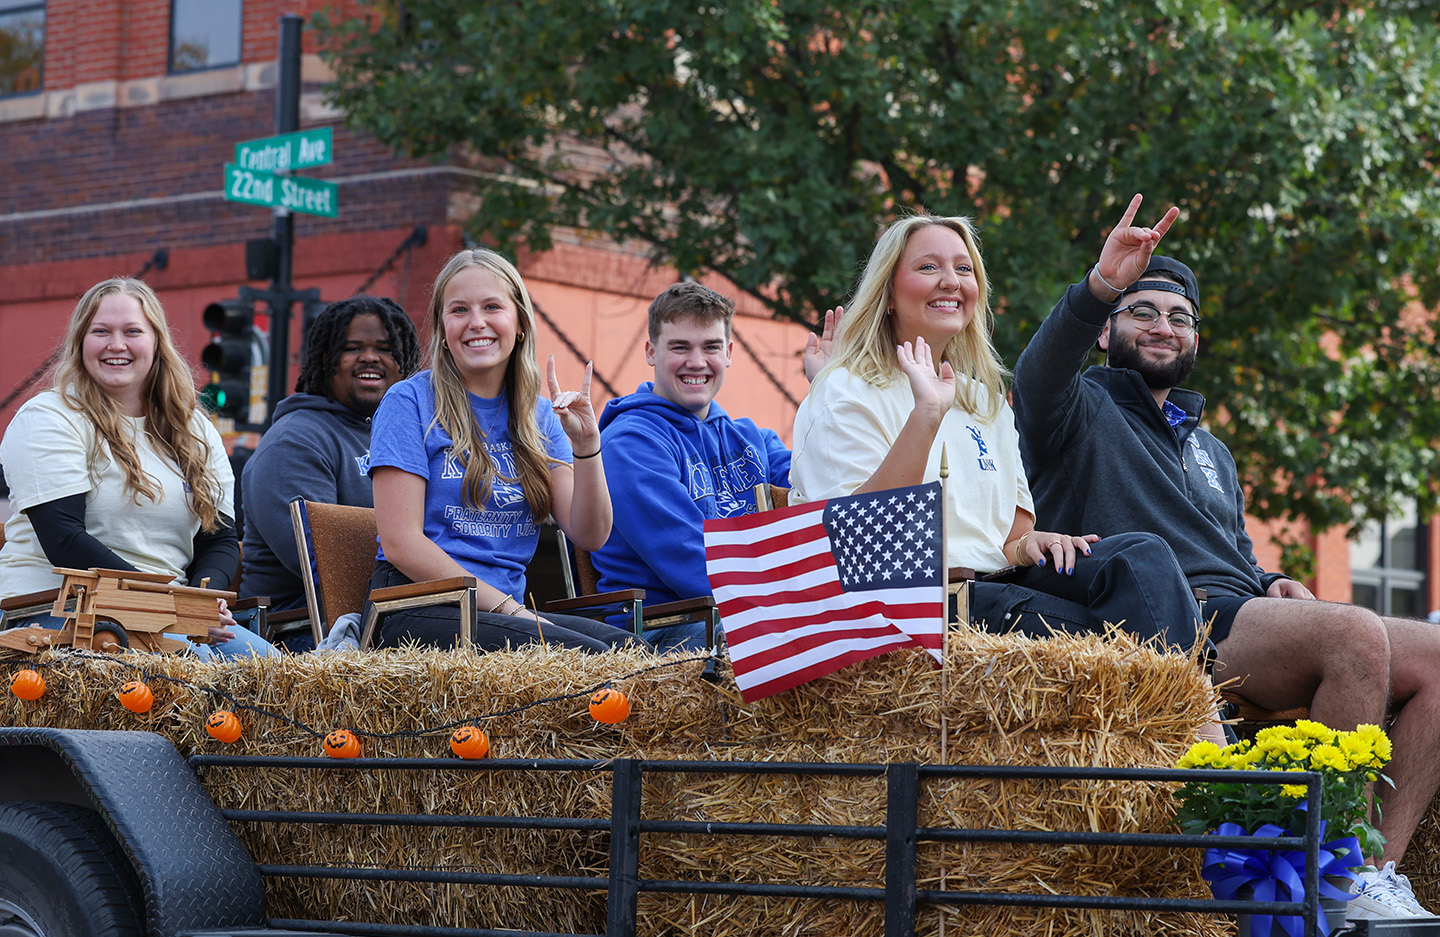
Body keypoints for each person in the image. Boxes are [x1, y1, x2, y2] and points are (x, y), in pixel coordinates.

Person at [1012, 193, 1440, 920]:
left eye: (1180, 317)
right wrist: (1099, 284)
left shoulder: (1210, 447)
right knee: (1356, 633)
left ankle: (1376, 873)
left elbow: (1235, 550)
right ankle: (1327, 873)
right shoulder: (1077, 406)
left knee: (1436, 653)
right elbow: (1038, 371)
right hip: (1171, 613)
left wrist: (1275, 578)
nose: (1163, 325)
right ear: (1110, 327)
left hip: (1246, 607)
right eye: (1143, 310)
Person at [789, 213, 1204, 656]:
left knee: (1139, 557)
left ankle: (1202, 721)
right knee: (1111, 635)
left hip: (991, 587)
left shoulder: (982, 402)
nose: (951, 281)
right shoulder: (844, 388)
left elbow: (1010, 540)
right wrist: (926, 415)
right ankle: (1202, 724)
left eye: (964, 269)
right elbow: (857, 541)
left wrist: (1036, 544)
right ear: (888, 293)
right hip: (913, 603)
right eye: (928, 267)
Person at [367, 248, 637, 653]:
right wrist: (514, 613)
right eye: (459, 310)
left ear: (519, 323)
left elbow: (591, 534)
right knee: (587, 657)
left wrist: (587, 447)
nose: (477, 323)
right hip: (417, 605)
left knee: (636, 654)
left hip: (502, 614)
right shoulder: (408, 401)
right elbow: (401, 541)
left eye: (492, 306)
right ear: (442, 328)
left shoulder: (541, 415)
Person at [0, 277, 274, 659]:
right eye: (101, 332)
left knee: (270, 672)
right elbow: (63, 539)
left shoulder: (194, 427)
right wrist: (172, 604)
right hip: (57, 612)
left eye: (132, 331)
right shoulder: (49, 417)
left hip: (168, 615)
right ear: (80, 343)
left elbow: (219, 538)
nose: (117, 344)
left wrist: (200, 600)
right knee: (200, 678)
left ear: (157, 342)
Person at [588, 282, 796, 653]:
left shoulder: (753, 438)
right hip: (661, 629)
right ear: (651, 352)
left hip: (740, 610)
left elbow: (823, 492)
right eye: (680, 347)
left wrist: (829, 389)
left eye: (711, 346)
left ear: (729, 353)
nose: (697, 362)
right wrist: (793, 605)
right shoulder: (631, 443)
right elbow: (693, 561)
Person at [238, 295, 421, 651]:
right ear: (326, 361)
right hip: (299, 626)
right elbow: (328, 563)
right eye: (352, 348)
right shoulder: (295, 440)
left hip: (392, 610)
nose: (370, 357)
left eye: (385, 348)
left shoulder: (412, 433)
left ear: (405, 363)